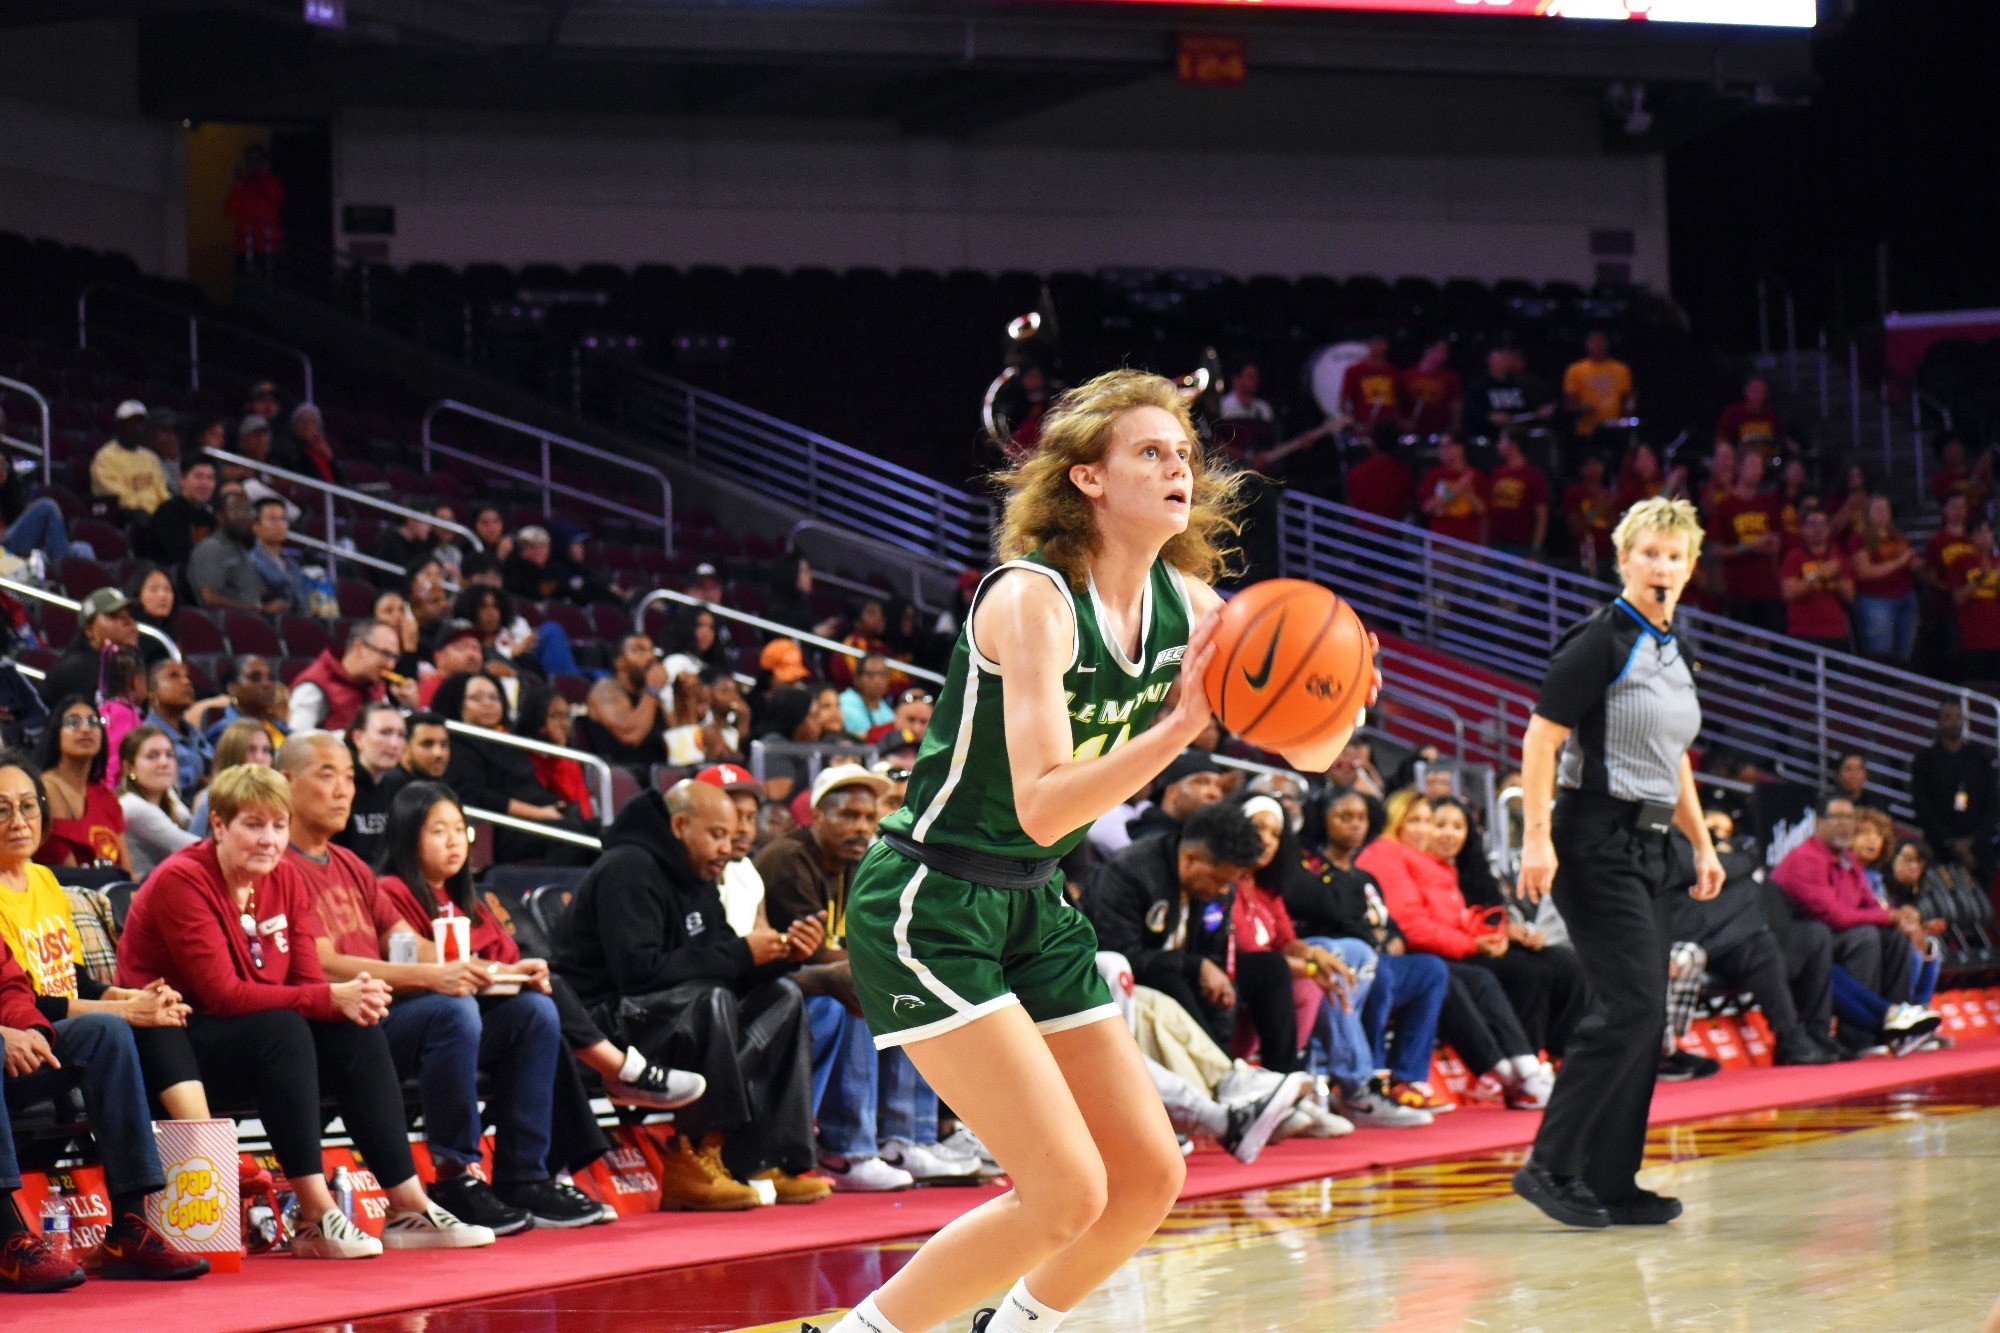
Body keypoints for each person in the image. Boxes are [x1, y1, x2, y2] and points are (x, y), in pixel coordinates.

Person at [823, 370, 1369, 1333]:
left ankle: (1016, 1324)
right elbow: (1037, 808)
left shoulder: (1193, 605)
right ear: (1086, 478)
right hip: (930, 898)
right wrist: (1177, 731)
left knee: (1149, 1173)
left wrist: (1342, 677)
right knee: (1065, 1189)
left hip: (1036, 903)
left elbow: (1310, 746)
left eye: (1185, 455)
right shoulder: (1030, 599)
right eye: (1150, 452)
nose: (1178, 469)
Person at [114, 765, 496, 1258]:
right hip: (170, 1045)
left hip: (251, 1037)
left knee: (352, 1027)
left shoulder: (286, 879)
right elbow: (223, 995)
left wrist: (349, 999)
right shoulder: (181, 880)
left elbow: (305, 979)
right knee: (288, 1026)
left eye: (278, 826)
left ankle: (408, 1206)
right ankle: (314, 1213)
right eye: (253, 825)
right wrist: (327, 997)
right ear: (219, 826)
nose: (269, 839)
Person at [278, 735, 601, 1233]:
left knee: (532, 1012)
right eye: (327, 775)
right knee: (452, 1011)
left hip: (384, 1020)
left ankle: (523, 1176)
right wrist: (434, 977)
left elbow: (412, 944)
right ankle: (454, 1177)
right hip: (334, 1029)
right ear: (286, 783)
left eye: (348, 776)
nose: (343, 790)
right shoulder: (279, 865)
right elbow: (322, 964)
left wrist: (504, 973)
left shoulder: (350, 865)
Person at [1512, 496, 1724, 1229]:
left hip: (1652, 842)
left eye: (1675, 555)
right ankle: (1550, 1164)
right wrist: (1536, 838)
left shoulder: (1675, 648)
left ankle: (1612, 1177)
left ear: (1691, 568)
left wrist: (1702, 842)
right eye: (1649, 553)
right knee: (1629, 1004)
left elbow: (1677, 759)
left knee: (1646, 1014)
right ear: (1623, 559)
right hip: (1591, 837)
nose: (1662, 566)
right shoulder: (1600, 640)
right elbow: (1541, 741)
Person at [554, 781, 831, 1211]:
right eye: (717, 834)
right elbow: (638, 974)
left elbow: (727, 964)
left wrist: (781, 957)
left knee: (782, 996)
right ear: (680, 825)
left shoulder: (699, 876)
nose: (728, 846)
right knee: (710, 1001)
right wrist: (742, 952)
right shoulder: (628, 869)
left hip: (671, 1014)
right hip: (601, 1023)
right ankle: (696, 1155)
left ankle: (769, 1158)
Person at [759, 764, 978, 1189]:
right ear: (817, 815)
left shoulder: (858, 862)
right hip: (781, 986)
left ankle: (907, 1137)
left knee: (910, 986)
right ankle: (848, 1149)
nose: (862, 827)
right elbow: (815, 952)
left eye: (867, 816)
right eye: (848, 816)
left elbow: (883, 937)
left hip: (818, 981)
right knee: (860, 990)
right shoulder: (790, 859)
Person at [1237, 795, 1425, 1128]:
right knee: (1316, 978)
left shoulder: (1265, 886)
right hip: (1241, 981)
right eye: (1258, 828)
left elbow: (1285, 940)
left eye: (1275, 833)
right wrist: (1313, 965)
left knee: (1350, 954)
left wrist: (1313, 955)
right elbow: (1249, 953)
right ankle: (1346, 1085)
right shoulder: (1228, 882)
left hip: (1272, 975)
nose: (1266, 839)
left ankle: (1327, 1082)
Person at [1355, 793, 1552, 1109]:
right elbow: (1412, 926)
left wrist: (1492, 936)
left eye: (1427, 822)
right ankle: (1508, 1074)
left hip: (1433, 950)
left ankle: (1527, 1067)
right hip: (1398, 955)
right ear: (1396, 822)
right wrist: (1473, 944)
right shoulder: (1387, 856)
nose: (1424, 829)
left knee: (1507, 972)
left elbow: (1449, 921)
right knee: (1450, 976)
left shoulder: (1429, 863)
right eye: (1414, 821)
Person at [1285, 787, 1454, 1113]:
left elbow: (1390, 927)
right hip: (1339, 956)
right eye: (1344, 817)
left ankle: (1406, 1077)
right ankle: (1372, 1075)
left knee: (1431, 970)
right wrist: (1370, 935)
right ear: (1324, 819)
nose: (1355, 825)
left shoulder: (1366, 878)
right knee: (1377, 970)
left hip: (1375, 955)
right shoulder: (1312, 869)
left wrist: (1388, 936)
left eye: (1362, 818)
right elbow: (1330, 918)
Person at [1771, 796, 1941, 1054]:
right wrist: (1889, 917)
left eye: (1849, 818)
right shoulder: (1805, 859)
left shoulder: (1847, 859)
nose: (1845, 825)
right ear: (1819, 822)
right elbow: (1834, 916)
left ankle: (1900, 1028)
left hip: (1831, 937)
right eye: (1837, 818)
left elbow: (1868, 902)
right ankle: (1860, 1037)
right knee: (1866, 937)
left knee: (1893, 936)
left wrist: (1901, 919)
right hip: (1803, 943)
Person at [1910, 700, 1997, 894]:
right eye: (1948, 717)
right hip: (1939, 847)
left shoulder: (1979, 757)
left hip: (1978, 849)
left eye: (1959, 717)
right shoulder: (1925, 759)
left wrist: (1972, 842)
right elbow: (1921, 805)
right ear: (1939, 722)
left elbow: (1992, 803)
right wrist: (1950, 842)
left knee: (1980, 907)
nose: (1954, 722)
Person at [34, 698, 128, 872]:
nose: (85, 729)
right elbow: (72, 877)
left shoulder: (106, 797)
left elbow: (127, 872)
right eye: (73, 722)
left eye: (93, 722)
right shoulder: (45, 789)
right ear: (56, 735)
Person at [1704, 451, 1786, 634]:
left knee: (1771, 641)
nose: (1756, 470)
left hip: (1768, 588)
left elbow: (1778, 544)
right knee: (1743, 644)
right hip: (1738, 588)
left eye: (1760, 466)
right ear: (1739, 468)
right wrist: (1749, 546)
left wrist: (1764, 546)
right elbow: (1714, 550)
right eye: (1751, 465)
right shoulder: (1725, 506)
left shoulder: (1769, 503)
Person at [289, 621, 404, 734]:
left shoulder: (376, 685)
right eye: (385, 654)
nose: (391, 665)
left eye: (395, 657)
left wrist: (408, 705)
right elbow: (295, 741)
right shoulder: (314, 686)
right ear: (359, 647)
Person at [189, 489, 286, 615]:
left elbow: (251, 590)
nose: (245, 517)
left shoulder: (240, 548)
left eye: (247, 511)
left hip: (253, 621)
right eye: (237, 511)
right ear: (220, 517)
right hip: (227, 625)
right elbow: (209, 599)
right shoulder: (211, 548)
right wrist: (260, 610)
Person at [39, 588, 139, 709]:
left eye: (129, 615)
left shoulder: (131, 657)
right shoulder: (73, 672)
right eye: (114, 616)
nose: (128, 622)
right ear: (89, 630)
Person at [116, 726, 196, 878]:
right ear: (128, 767)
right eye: (152, 756)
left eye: (170, 754)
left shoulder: (169, 796)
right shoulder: (132, 806)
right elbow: (194, 847)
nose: (164, 763)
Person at [585, 634, 669, 773]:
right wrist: (652, 689)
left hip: (657, 773)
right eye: (639, 650)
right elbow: (631, 736)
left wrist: (685, 699)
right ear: (619, 662)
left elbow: (676, 738)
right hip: (624, 777)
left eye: (651, 651)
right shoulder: (606, 689)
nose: (650, 657)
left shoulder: (649, 697)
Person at [1848, 496, 1918, 662]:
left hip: (1905, 596)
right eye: (1877, 509)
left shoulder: (1899, 537)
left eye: (1885, 509)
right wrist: (1899, 562)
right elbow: (1864, 572)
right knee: (1882, 655)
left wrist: (1914, 563)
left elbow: (1908, 562)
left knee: (1904, 655)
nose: (1882, 513)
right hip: (1876, 600)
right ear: (1869, 514)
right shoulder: (1859, 539)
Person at [337, 700, 408, 864]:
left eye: (401, 735)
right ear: (358, 738)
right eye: (385, 733)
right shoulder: (339, 786)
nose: (394, 744)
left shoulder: (400, 786)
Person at [514, 680, 594, 822]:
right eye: (555, 716)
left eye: (567, 716)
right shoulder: (521, 760)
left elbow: (583, 809)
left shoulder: (569, 760)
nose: (565, 724)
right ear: (537, 722)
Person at [1779, 509, 1854, 651]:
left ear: (1828, 529)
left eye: (1822, 524)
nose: (1817, 529)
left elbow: (1849, 596)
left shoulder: (1839, 557)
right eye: (1812, 524)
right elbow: (1789, 593)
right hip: (1804, 631)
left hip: (1836, 632)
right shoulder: (1794, 557)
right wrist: (1818, 574)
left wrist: (1836, 578)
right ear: (1803, 529)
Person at [187, 718, 276, 836]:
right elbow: (195, 848)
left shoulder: (277, 797)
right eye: (251, 750)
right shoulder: (211, 799)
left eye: (266, 750)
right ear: (232, 754)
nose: (260, 758)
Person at [143, 658, 213, 798]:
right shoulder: (148, 737)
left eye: (187, 677)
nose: (186, 682)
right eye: (174, 676)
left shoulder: (193, 732)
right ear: (151, 692)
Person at [90, 401, 170, 518]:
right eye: (132, 423)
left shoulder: (150, 457)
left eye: (140, 423)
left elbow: (162, 492)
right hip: (130, 515)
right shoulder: (105, 458)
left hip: (157, 516)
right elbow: (118, 497)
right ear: (120, 425)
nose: (137, 428)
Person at [138, 456, 219, 568]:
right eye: (198, 476)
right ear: (182, 479)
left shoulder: (208, 515)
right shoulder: (168, 512)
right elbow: (179, 557)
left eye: (210, 478)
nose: (205, 483)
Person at [1561, 329, 1634, 447]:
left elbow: (1629, 398)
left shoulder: (1621, 369)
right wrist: (1582, 408)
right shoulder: (1575, 370)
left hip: (1615, 429)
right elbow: (1569, 403)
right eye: (1594, 342)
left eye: (1601, 342)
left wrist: (1628, 412)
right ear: (1587, 345)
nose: (1598, 346)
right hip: (1588, 431)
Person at [1950, 517, 2000, 683]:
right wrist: (1981, 578)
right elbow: (1958, 599)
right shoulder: (1961, 562)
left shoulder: (1997, 563)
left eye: (1988, 531)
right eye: (1980, 532)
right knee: (1975, 685)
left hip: (1997, 637)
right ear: (1971, 536)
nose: (1986, 536)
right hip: (1972, 637)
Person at [201, 654, 288, 749]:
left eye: (271, 678)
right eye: (255, 678)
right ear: (232, 688)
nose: (267, 684)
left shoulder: (279, 727)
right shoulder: (224, 733)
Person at [1487, 433, 1550, 559]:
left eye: (1501, 441)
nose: (1498, 446)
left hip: (1520, 546)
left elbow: (1541, 515)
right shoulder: (1496, 473)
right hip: (1494, 543)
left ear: (1513, 445)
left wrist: (1535, 548)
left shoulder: (1534, 476)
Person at [1417, 435, 1487, 545]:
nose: (1442, 451)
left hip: (1469, 542)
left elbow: (1483, 511)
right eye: (1441, 447)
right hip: (1441, 543)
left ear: (1459, 448)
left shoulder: (1476, 476)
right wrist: (1456, 489)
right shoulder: (1434, 475)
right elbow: (1427, 507)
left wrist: (1468, 492)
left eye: (1446, 446)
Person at [248, 497, 308, 615]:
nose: (279, 524)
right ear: (255, 526)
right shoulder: (249, 562)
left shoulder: (293, 564)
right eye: (272, 519)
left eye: (282, 519)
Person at [1341, 433, 1414, 524]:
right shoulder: (1405, 474)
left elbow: (1350, 504)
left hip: (1362, 531)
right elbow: (1409, 505)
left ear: (1373, 444)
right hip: (1391, 532)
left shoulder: (1357, 472)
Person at [1561, 454, 1617, 573]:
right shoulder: (1574, 493)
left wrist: (1610, 513)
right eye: (1590, 464)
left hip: (1608, 556)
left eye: (1598, 464)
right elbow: (1575, 529)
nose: (1595, 468)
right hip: (1583, 557)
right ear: (1582, 469)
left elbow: (1617, 527)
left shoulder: (1609, 494)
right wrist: (1596, 511)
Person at [1337, 336, 1402, 430]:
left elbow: (1396, 402)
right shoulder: (1354, 371)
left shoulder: (1392, 372)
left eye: (1380, 343)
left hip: (1387, 426)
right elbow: (1344, 399)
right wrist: (1351, 419)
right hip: (1363, 425)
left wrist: (1399, 421)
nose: (1378, 347)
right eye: (1375, 343)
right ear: (1368, 345)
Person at [1714, 377, 1786, 460]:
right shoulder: (1734, 413)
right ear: (1746, 391)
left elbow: (1782, 437)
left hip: (1768, 461)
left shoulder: (1771, 413)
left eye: (1761, 390)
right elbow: (1720, 440)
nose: (1758, 393)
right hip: (1742, 461)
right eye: (1754, 389)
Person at [838, 655, 896, 739]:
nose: (877, 680)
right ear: (857, 679)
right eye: (870, 675)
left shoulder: (890, 715)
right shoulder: (841, 704)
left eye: (882, 674)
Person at [403, 711, 451, 780]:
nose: (438, 753)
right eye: (427, 744)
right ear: (404, 747)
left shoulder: (442, 785)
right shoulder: (389, 787)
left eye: (444, 745)